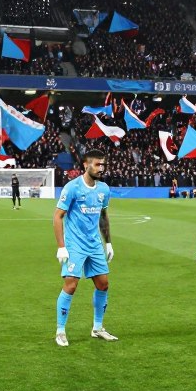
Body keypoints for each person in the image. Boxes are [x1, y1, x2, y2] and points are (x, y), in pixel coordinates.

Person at [53, 147, 116, 345]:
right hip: (75, 245)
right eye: (97, 164)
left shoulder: (104, 189)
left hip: (94, 244)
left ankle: (97, 328)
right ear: (86, 165)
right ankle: (60, 331)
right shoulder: (72, 187)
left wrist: (108, 243)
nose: (101, 168)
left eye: (103, 164)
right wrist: (61, 246)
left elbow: (103, 216)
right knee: (71, 284)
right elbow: (58, 216)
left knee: (103, 284)